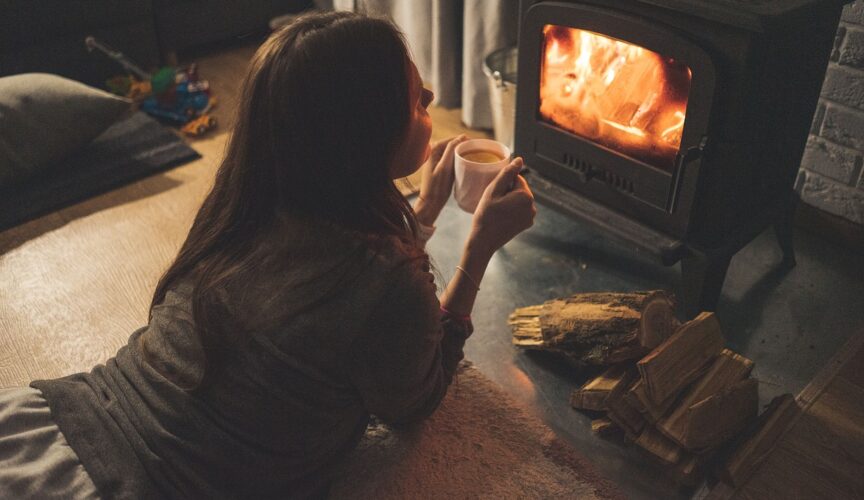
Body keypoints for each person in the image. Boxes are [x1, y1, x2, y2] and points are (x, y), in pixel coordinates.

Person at [0, 10, 536, 500]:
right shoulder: (387, 284)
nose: (432, 96)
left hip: (64, 421)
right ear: (362, 135)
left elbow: (329, 294)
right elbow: (414, 403)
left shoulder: (244, 205)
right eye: (416, 98)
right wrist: (479, 249)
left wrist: (420, 216)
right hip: (143, 485)